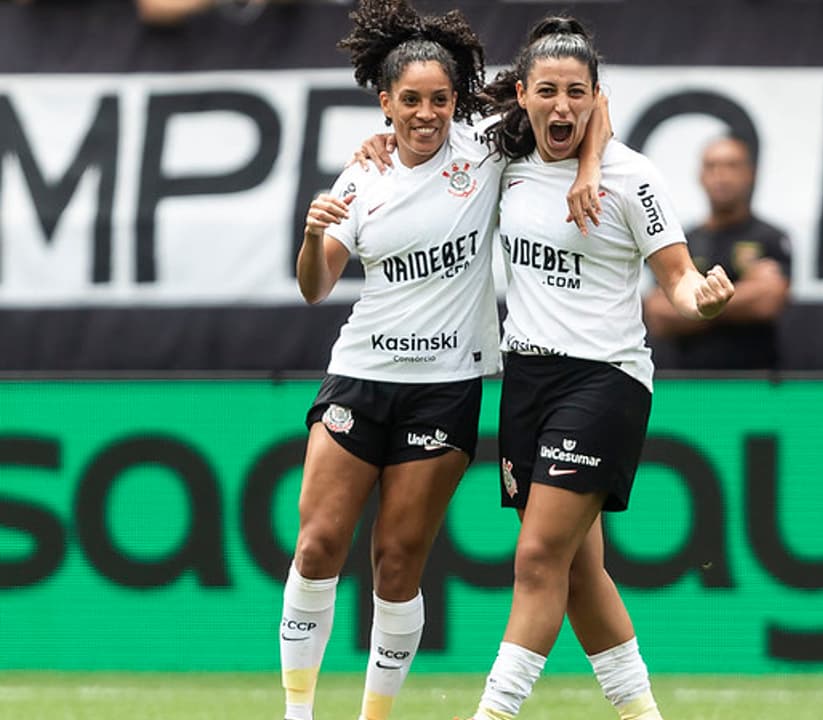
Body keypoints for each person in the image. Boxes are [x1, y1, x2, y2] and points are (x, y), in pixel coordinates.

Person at [281, 3, 606, 720]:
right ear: (384, 103)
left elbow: (589, 105)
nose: (425, 114)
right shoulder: (360, 177)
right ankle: (297, 713)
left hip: (446, 387)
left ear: (456, 100)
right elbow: (315, 287)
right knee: (317, 546)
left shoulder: (487, 152)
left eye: (439, 99)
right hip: (360, 377)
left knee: (396, 563)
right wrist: (311, 235)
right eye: (410, 102)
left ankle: (374, 715)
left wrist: (586, 166)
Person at [467, 17, 733, 720]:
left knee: (535, 560)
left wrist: (699, 295)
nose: (562, 106)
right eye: (547, 91)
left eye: (576, 93)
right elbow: (433, 151)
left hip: (604, 379)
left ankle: (492, 713)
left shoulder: (634, 178)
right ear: (521, 94)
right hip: (525, 382)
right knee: (581, 574)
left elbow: (676, 278)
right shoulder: (505, 163)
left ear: (596, 98)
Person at [642, 135, 791, 370]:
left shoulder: (771, 237)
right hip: (689, 385)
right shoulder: (681, 240)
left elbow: (767, 302)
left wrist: (692, 305)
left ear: (750, 174)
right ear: (700, 176)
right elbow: (659, 314)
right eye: (712, 166)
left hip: (757, 384)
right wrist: (741, 293)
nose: (721, 175)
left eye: (731, 166)